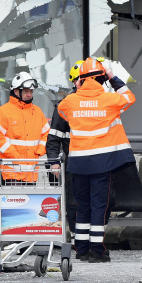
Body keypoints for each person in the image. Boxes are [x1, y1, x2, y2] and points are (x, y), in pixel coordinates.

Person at [57, 57, 136, 262]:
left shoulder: (71, 101)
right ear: (103, 78)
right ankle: (97, 251)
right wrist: (113, 78)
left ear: (81, 80)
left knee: (83, 206)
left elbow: (62, 110)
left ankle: (81, 250)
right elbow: (129, 98)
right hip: (102, 164)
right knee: (98, 206)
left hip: (78, 163)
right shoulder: (110, 100)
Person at [0, 72, 50, 184]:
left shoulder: (37, 112)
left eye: (31, 91)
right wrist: (16, 155)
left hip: (32, 175)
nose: (29, 95)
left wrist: (40, 150)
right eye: (26, 91)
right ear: (16, 91)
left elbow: (47, 133)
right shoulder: (3, 112)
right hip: (10, 175)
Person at [47, 60, 84, 238]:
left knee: (98, 201)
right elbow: (54, 137)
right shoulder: (65, 105)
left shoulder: (103, 103)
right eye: (80, 79)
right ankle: (78, 238)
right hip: (73, 162)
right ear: (74, 82)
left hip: (99, 161)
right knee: (73, 201)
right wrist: (54, 162)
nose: (83, 83)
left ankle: (94, 241)